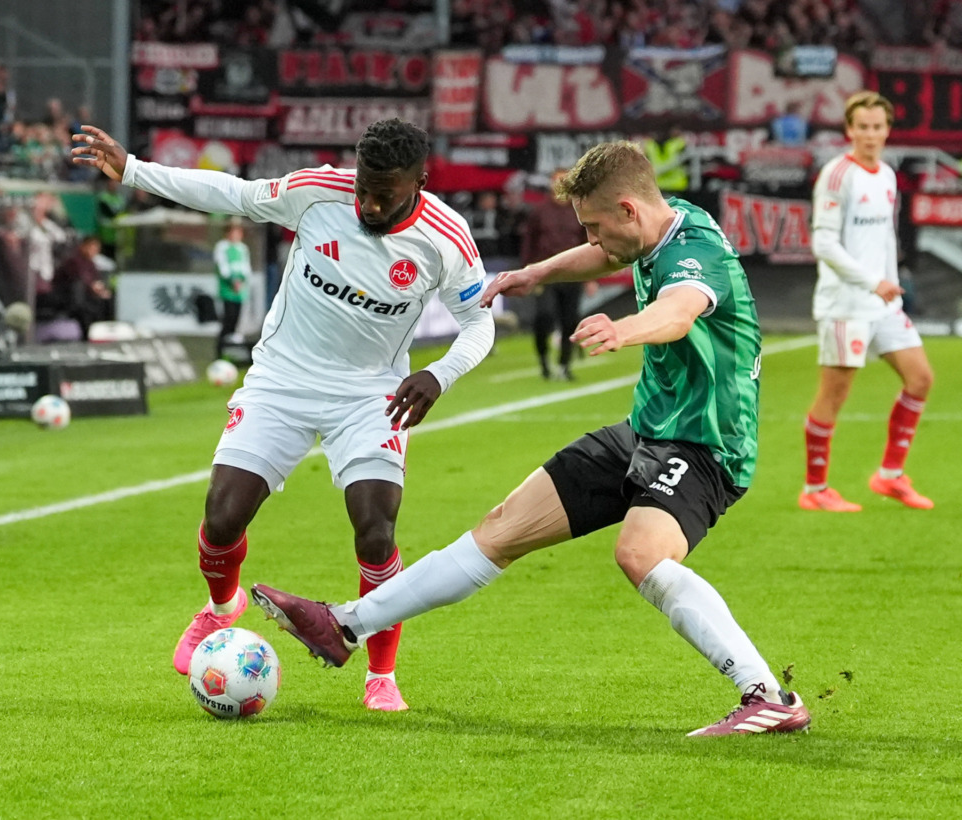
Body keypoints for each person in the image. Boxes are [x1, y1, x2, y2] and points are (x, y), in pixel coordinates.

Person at [249, 140, 812, 737]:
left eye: (595, 226)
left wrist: (623, 330)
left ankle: (767, 695)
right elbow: (605, 258)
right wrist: (536, 273)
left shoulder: (695, 255)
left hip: (705, 446)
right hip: (647, 431)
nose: (592, 241)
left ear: (627, 209)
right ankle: (343, 627)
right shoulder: (664, 221)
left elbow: (678, 311)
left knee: (640, 554)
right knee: (501, 528)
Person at [72, 118, 495, 712]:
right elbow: (232, 194)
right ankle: (222, 609)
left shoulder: (445, 237)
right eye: (364, 188)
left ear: (419, 181)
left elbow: (480, 322)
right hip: (282, 379)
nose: (369, 204)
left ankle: (381, 673)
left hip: (371, 392)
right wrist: (136, 170)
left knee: (376, 527)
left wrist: (437, 374)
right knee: (222, 518)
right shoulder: (318, 191)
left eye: (386, 194)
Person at [799, 91, 935, 512]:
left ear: (888, 130)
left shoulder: (888, 175)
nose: (871, 135)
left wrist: (890, 285)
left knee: (920, 378)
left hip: (883, 302)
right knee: (834, 395)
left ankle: (890, 476)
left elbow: (882, 238)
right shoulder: (838, 175)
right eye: (863, 127)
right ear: (849, 129)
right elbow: (822, 242)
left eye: (878, 127)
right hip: (846, 304)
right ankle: (815, 489)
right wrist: (870, 281)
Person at [521, 169, 592, 380]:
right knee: (544, 316)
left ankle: (564, 365)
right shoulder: (539, 212)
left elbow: (587, 244)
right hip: (545, 273)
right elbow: (529, 243)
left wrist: (589, 276)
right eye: (556, 181)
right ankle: (543, 360)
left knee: (570, 320)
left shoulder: (578, 211)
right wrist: (527, 272)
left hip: (572, 273)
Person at [49, 234, 112, 339]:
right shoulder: (73, 261)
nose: (95, 251)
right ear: (84, 246)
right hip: (69, 300)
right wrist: (92, 287)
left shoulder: (91, 263)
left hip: (88, 298)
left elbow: (96, 280)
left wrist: (101, 289)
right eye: (92, 247)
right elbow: (80, 280)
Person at [213, 219, 252, 360]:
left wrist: (240, 281)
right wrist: (233, 280)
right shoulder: (222, 247)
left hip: (240, 292)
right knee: (227, 321)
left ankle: (231, 354)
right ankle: (219, 352)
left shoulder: (243, 248)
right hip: (227, 291)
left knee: (236, 322)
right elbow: (223, 267)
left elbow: (246, 269)